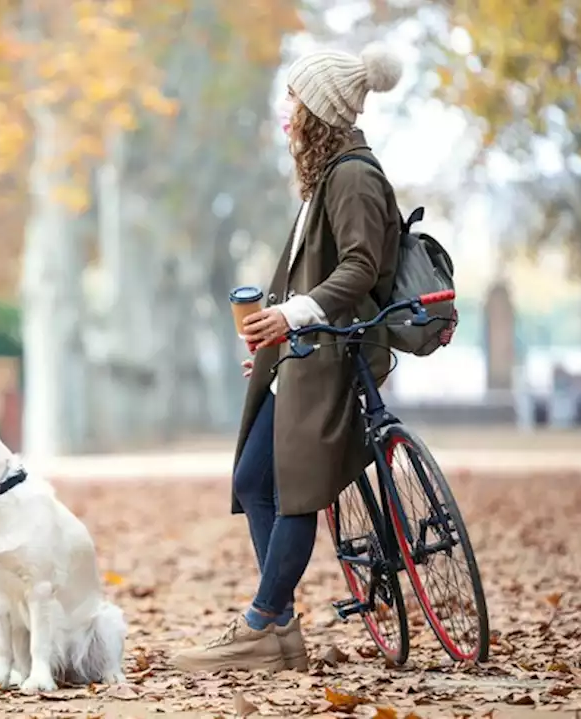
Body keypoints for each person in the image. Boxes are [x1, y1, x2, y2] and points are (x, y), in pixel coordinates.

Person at [173, 44, 405, 672]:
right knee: (253, 480)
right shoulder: (329, 174)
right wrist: (278, 334)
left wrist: (292, 315)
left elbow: (358, 266)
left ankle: (260, 625)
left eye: (294, 97)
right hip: (305, 350)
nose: (286, 110)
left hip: (333, 352)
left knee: (296, 492)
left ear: (319, 110)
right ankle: (277, 622)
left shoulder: (354, 174)